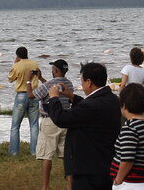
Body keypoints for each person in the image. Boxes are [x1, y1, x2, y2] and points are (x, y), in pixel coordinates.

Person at [46, 62, 121, 190]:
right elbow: (91, 111)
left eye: (82, 81)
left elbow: (61, 119)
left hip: (89, 169)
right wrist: (73, 97)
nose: (81, 84)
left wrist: (53, 98)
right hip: (107, 163)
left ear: (89, 82)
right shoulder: (113, 99)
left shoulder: (90, 105)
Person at [27, 59, 74, 190]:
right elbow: (50, 87)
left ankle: (45, 186)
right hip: (65, 121)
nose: (51, 70)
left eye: (53, 68)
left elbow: (31, 95)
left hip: (50, 121)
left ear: (56, 70)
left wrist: (28, 81)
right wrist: (41, 78)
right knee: (66, 155)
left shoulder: (48, 84)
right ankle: (70, 185)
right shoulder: (69, 84)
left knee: (46, 155)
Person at [8, 46, 41, 155]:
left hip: (21, 95)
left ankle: (14, 152)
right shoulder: (35, 64)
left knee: (15, 126)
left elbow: (10, 79)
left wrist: (15, 63)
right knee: (34, 125)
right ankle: (35, 152)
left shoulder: (17, 65)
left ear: (17, 55)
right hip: (34, 94)